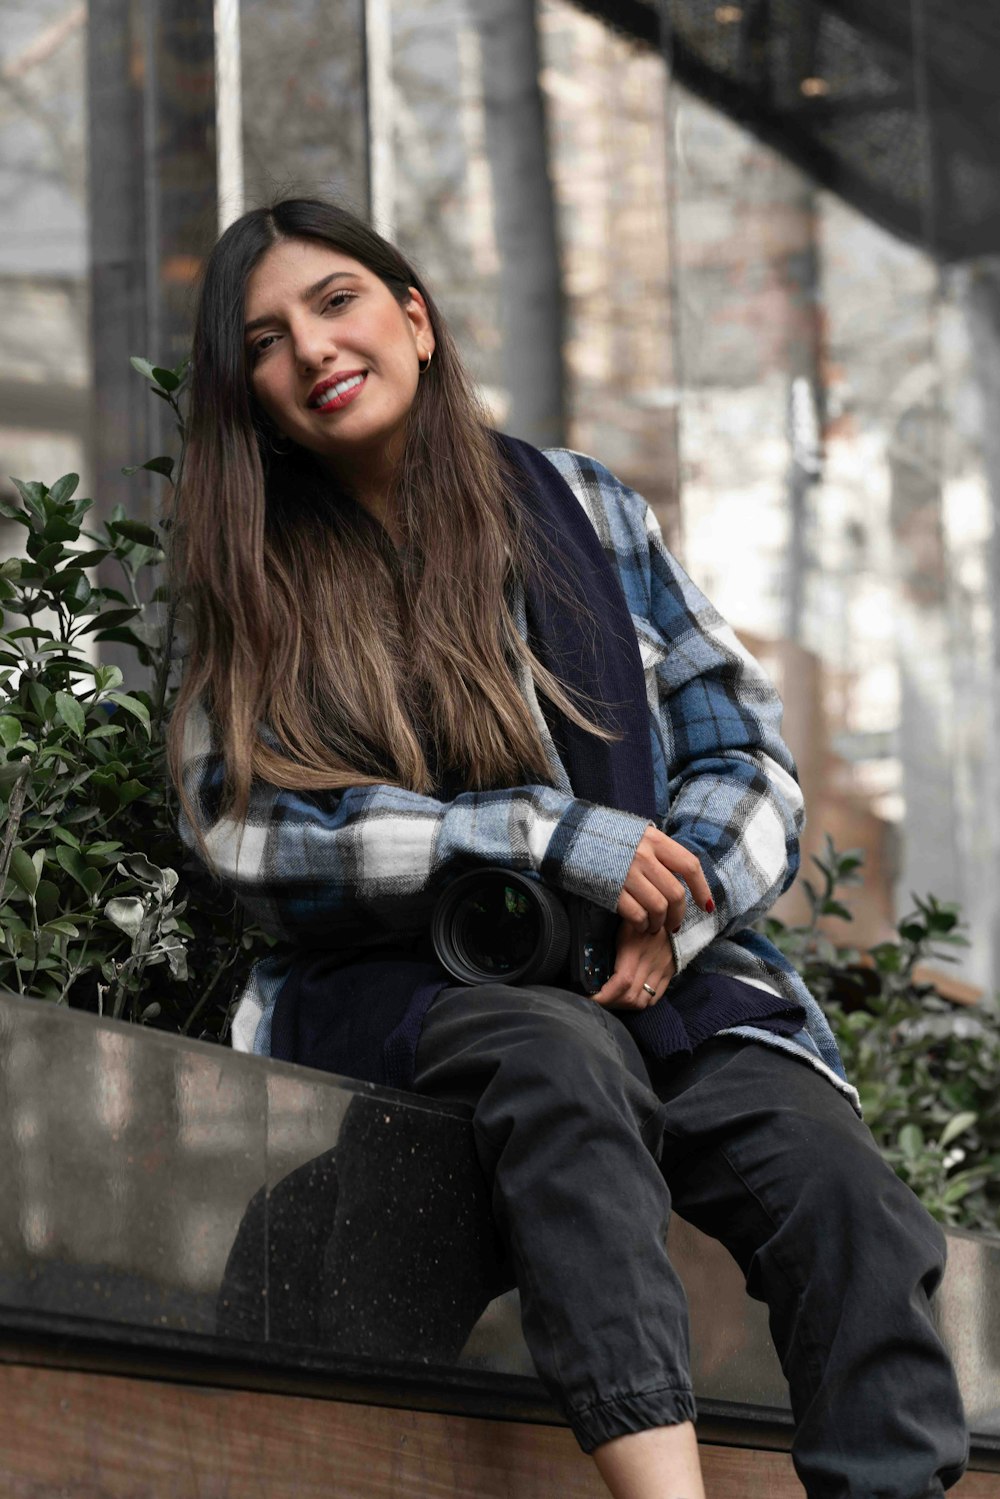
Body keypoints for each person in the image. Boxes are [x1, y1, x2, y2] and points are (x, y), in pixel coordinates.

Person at [169, 196, 968, 1498]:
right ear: (249, 392)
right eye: (263, 339)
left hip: (664, 969)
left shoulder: (587, 504)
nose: (309, 348)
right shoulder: (256, 574)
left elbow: (746, 754)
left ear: (414, 319)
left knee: (839, 1190)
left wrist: (676, 896)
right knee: (559, 1062)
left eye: (335, 302)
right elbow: (245, 832)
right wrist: (546, 838)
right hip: (413, 988)